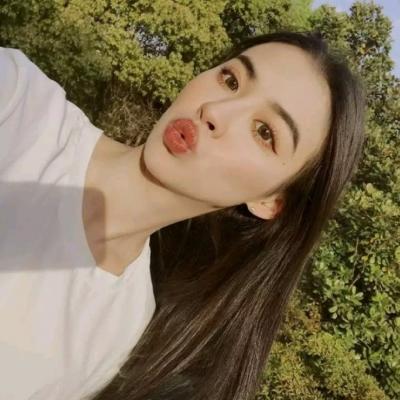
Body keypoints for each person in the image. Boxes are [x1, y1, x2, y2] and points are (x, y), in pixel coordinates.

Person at [0, 30, 365, 400]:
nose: (216, 111)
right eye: (231, 80)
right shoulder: (18, 103)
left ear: (270, 202)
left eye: (264, 132)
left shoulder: (122, 331)